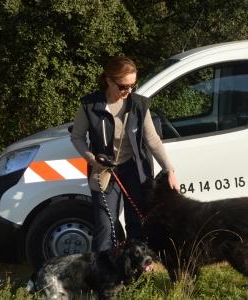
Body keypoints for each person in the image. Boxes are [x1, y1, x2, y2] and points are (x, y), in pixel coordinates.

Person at [71, 56, 179, 252]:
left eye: (133, 86)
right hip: (104, 172)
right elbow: (77, 137)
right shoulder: (89, 105)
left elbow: (153, 141)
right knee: (106, 225)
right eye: (123, 86)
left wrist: (169, 169)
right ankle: (104, 273)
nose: (128, 91)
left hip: (135, 170)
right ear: (109, 80)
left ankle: (137, 273)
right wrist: (92, 159)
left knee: (137, 222)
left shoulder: (139, 105)